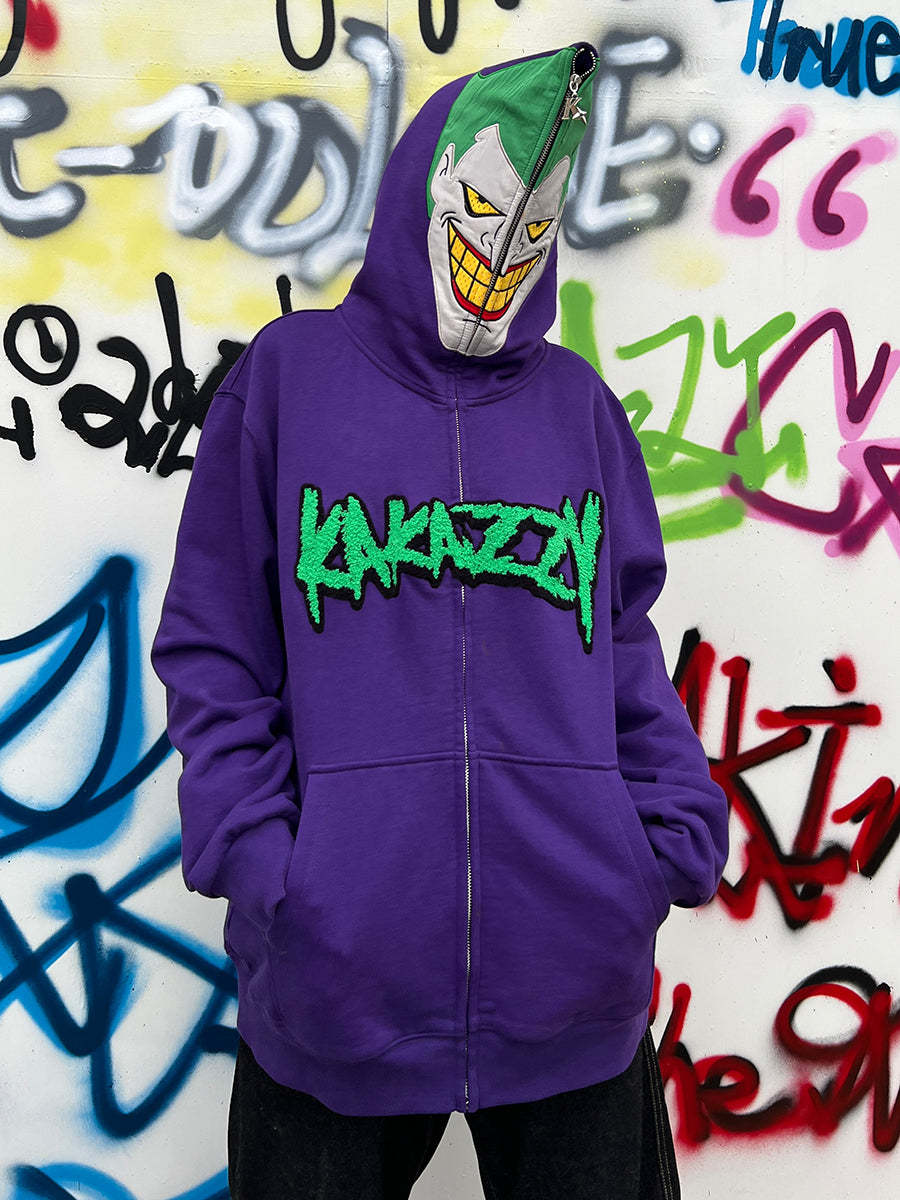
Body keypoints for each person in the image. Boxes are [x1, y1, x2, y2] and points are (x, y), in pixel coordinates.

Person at [150, 39, 730, 1199]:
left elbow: (622, 642)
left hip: (574, 978)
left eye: (531, 228)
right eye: (482, 210)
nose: (499, 252)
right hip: (332, 985)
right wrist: (272, 870)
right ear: (427, 182)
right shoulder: (290, 379)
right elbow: (215, 648)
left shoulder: (577, 409)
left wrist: (661, 836)